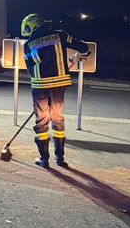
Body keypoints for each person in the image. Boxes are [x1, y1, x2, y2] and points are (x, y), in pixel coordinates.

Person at [21, 14, 90, 168]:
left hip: (39, 85)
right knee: (57, 117)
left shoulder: (28, 44)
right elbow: (84, 48)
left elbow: (30, 69)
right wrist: (79, 56)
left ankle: (44, 159)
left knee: (41, 120)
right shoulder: (60, 35)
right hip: (59, 84)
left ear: (31, 27)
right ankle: (60, 158)